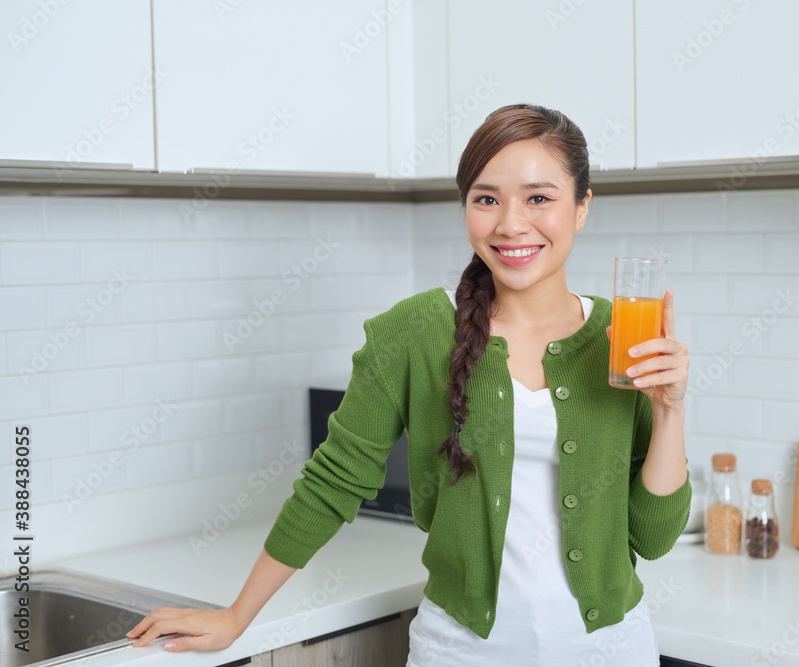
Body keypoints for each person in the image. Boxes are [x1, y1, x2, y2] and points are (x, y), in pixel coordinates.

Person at [125, 103, 692, 666]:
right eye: (486, 198)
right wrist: (235, 616)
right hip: (462, 654)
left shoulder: (620, 337)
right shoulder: (415, 331)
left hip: (609, 651)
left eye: (539, 198)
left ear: (582, 207)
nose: (510, 224)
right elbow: (333, 482)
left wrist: (670, 413)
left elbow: (653, 536)